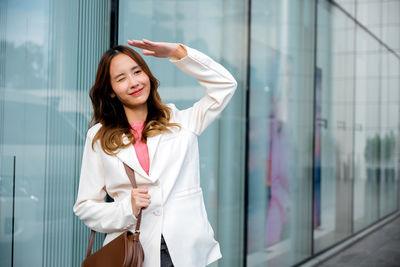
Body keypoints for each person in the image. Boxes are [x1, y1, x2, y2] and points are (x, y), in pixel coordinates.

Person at [73, 39, 237, 267]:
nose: (133, 82)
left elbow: (226, 85)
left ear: (147, 75)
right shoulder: (99, 136)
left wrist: (179, 53)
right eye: (121, 79)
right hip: (134, 253)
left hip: (184, 250)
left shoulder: (180, 121)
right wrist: (125, 207)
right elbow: (85, 206)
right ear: (111, 92)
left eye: (137, 72)